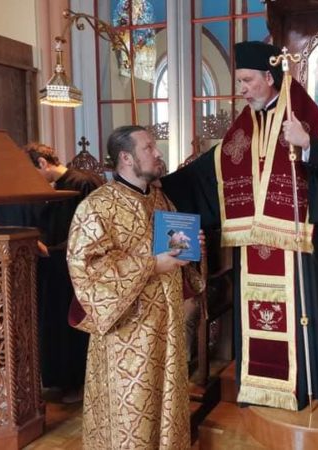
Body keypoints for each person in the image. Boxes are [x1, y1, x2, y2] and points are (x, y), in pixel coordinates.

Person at [160, 41, 318, 411]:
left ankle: (301, 384)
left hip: (296, 242)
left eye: (247, 81)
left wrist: (308, 144)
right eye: (240, 82)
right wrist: (161, 186)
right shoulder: (245, 124)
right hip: (252, 242)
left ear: (269, 76)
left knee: (298, 313)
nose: (242, 89)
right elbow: (212, 168)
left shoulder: (301, 110)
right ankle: (257, 384)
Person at [67, 125, 202, 449]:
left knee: (165, 403)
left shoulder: (161, 200)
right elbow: (87, 268)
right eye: (149, 148)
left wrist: (191, 248)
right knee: (131, 410)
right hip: (127, 335)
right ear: (126, 158)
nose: (158, 153)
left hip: (166, 328)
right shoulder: (97, 206)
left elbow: (176, 256)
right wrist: (151, 264)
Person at [24, 143, 104, 403]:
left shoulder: (83, 183)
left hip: (76, 270)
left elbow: (92, 229)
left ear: (42, 163)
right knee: (55, 325)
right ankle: (60, 382)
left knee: (74, 328)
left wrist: (53, 250)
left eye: (33, 172)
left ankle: (78, 384)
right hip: (55, 268)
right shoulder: (54, 187)